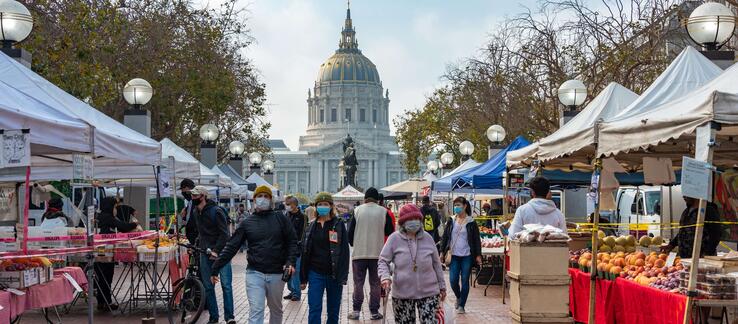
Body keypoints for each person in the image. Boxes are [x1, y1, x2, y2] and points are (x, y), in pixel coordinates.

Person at [211, 185, 298, 324]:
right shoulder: (247, 222)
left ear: (271, 200)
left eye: (266, 196)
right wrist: (215, 268)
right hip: (254, 273)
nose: (262, 199)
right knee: (256, 310)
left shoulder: (281, 219)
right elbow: (231, 247)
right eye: (259, 196)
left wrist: (290, 262)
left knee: (276, 309)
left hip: (277, 273)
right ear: (254, 199)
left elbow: (292, 242)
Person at [379, 204, 446, 324]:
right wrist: (385, 277)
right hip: (402, 293)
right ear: (403, 222)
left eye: (416, 219)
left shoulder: (428, 238)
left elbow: (436, 264)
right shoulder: (394, 239)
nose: (414, 222)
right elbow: (383, 260)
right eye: (410, 219)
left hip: (429, 292)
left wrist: (442, 286)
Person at [300, 192, 350, 324]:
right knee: (314, 308)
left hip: (334, 274)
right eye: (320, 204)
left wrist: (343, 276)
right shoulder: (311, 226)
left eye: (325, 204)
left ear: (331, 206)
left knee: (333, 311)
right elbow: (305, 252)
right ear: (316, 207)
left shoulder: (338, 224)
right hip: (315, 273)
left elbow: (344, 251)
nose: (322, 207)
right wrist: (303, 278)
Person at [347, 187, 394, 320]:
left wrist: (354, 244)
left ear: (365, 198)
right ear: (377, 199)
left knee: (358, 283)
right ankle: (374, 311)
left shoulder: (357, 210)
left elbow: (349, 233)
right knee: (375, 284)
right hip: (378, 254)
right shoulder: (383, 211)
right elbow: (389, 231)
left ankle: (356, 310)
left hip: (359, 254)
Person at [189, 186, 234, 324]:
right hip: (204, 253)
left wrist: (216, 250)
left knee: (226, 285)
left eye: (196, 195)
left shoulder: (216, 211)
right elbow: (199, 232)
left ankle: (229, 317)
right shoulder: (196, 212)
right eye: (192, 195)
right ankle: (214, 317)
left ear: (203, 196)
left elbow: (224, 234)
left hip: (221, 254)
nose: (193, 198)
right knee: (208, 286)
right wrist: (195, 245)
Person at [95, 197, 139, 312]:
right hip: (105, 251)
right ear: (110, 207)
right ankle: (106, 302)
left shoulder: (100, 217)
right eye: (115, 207)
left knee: (102, 277)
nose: (116, 209)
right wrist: (134, 225)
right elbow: (123, 227)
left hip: (100, 251)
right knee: (106, 276)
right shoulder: (108, 217)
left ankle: (102, 301)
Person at [440, 196, 481, 314]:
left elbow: (476, 240)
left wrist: (478, 255)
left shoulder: (471, 222)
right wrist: (442, 251)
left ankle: (462, 305)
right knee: (453, 280)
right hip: (454, 255)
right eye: (455, 205)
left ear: (465, 206)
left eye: (459, 205)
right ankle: (459, 297)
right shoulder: (451, 220)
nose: (456, 207)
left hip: (467, 255)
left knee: (464, 280)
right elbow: (445, 237)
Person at [284, 196, 308, 302]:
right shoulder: (286, 215)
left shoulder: (302, 216)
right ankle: (292, 290)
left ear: (294, 204)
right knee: (288, 270)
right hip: (286, 247)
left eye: (288, 204)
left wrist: (299, 245)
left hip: (297, 248)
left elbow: (303, 232)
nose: (287, 206)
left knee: (296, 271)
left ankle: (296, 293)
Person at [180, 178, 199, 245]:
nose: (182, 192)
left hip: (194, 232)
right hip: (191, 231)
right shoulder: (190, 201)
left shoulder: (196, 201)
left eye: (182, 189)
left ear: (187, 188)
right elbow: (187, 216)